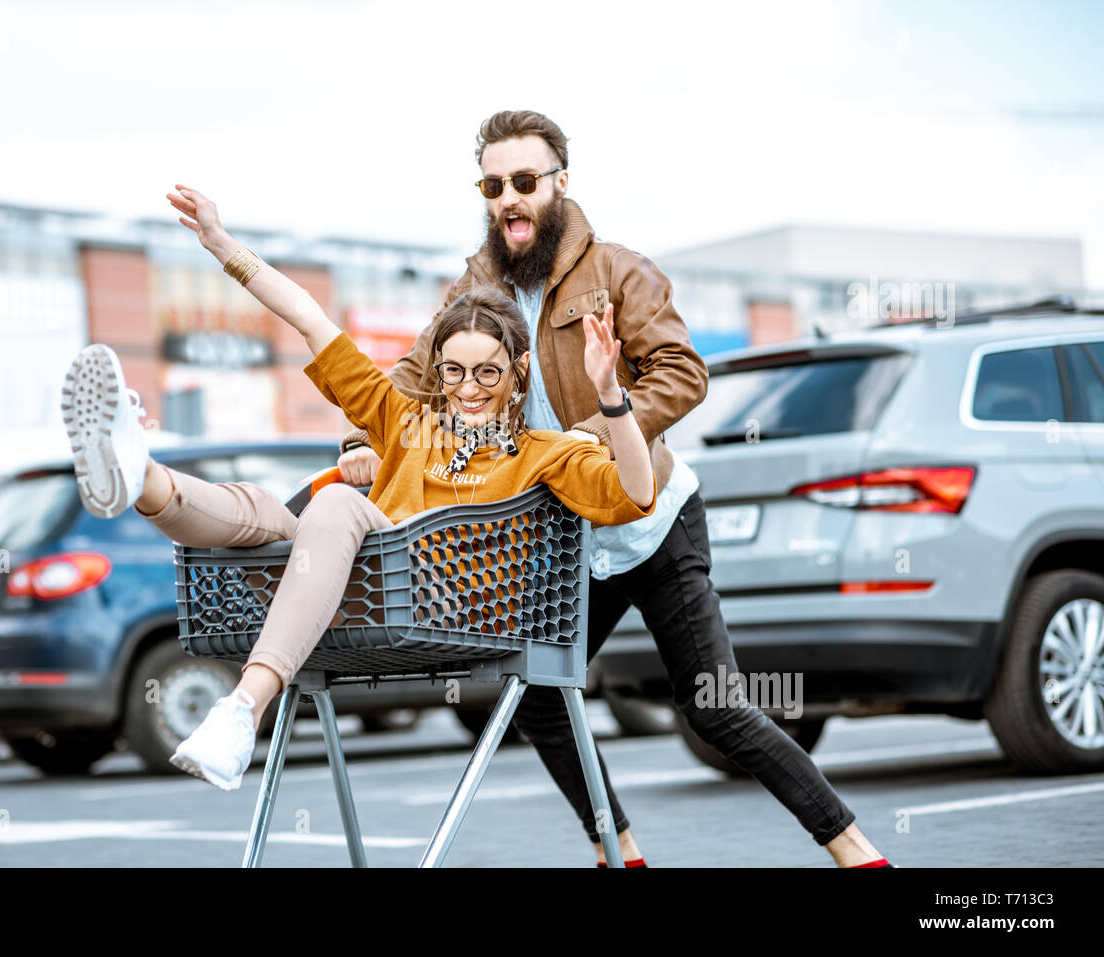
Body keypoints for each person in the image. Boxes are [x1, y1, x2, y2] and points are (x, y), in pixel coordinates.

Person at [334, 110, 894, 868]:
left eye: (525, 182)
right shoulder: (475, 285)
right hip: (568, 538)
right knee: (536, 694)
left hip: (653, 520)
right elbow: (411, 377)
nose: (509, 199)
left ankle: (854, 847)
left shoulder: (619, 271)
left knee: (716, 707)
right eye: (493, 184)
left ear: (559, 185)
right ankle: (618, 848)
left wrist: (599, 429)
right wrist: (361, 440)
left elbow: (683, 373)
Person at [59, 183, 658, 799]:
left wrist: (611, 396)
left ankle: (243, 707)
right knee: (266, 511)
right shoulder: (406, 422)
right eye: (453, 371)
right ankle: (140, 475)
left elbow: (636, 494)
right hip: (357, 596)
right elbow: (311, 320)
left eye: (488, 372)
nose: (470, 388)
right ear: (438, 372)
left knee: (339, 502)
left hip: (440, 611)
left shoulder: (545, 451)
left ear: (518, 372)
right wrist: (221, 244)